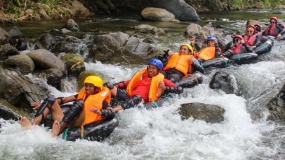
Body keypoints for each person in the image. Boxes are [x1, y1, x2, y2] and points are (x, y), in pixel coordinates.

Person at [20, 76, 115, 137]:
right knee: (51, 99)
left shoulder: (102, 102)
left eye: (90, 86)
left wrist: (100, 112)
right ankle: (32, 126)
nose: (87, 88)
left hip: (78, 123)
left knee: (80, 103)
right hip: (67, 120)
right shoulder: (82, 95)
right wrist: (44, 105)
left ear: (97, 89)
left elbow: (112, 112)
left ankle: (58, 130)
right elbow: (64, 100)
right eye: (86, 85)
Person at [104, 58, 182, 112]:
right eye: (149, 68)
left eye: (153, 68)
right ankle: (105, 105)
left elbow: (179, 89)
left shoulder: (162, 80)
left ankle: (113, 111)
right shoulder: (141, 77)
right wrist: (114, 86)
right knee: (108, 85)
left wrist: (165, 88)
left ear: (158, 70)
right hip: (128, 98)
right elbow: (124, 83)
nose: (150, 70)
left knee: (137, 97)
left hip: (140, 102)